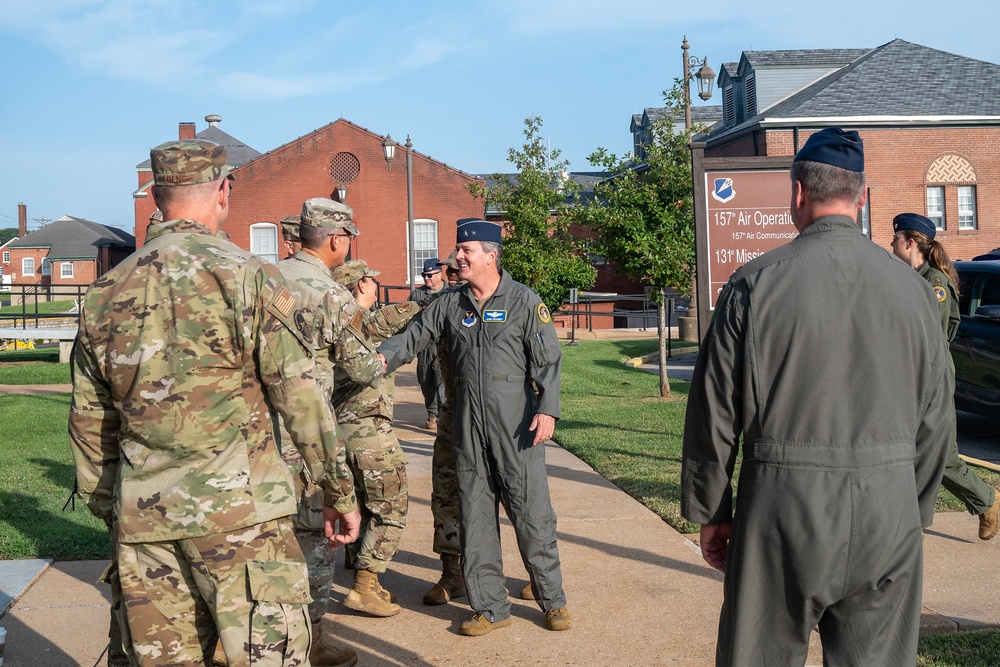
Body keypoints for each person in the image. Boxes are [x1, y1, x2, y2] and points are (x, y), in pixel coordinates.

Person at [69, 139, 361, 667]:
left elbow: (91, 427)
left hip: (146, 527)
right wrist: (339, 489)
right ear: (224, 191)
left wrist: (117, 512)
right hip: (241, 520)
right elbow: (301, 398)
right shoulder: (250, 276)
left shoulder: (106, 292)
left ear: (156, 194)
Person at [681, 128, 953, 666]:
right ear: (864, 196)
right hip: (887, 509)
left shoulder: (753, 285)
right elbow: (937, 417)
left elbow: (714, 411)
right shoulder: (917, 294)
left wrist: (712, 511)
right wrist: (911, 507)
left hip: (783, 511)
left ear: (798, 192)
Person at [379, 218, 571, 636]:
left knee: (532, 515)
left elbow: (548, 362)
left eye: (466, 252)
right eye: (457, 250)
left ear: (490, 256)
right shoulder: (450, 304)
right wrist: (381, 358)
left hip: (516, 427)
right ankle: (489, 607)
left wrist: (548, 410)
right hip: (467, 426)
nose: (458, 257)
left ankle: (552, 600)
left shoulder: (523, 301)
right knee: (476, 517)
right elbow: (413, 336)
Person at [273, 198, 386, 666]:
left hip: (258, 435)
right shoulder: (331, 294)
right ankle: (310, 640)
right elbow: (360, 367)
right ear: (337, 239)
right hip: (307, 435)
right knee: (318, 537)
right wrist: (378, 363)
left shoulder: (265, 280)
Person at [890, 212, 1000, 541]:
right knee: (927, 452)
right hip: (916, 378)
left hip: (929, 379)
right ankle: (984, 503)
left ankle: (983, 502)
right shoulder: (914, 279)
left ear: (910, 243)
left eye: (896, 237)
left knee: (933, 453)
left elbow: (931, 344)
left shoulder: (934, 284)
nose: (891, 242)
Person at [329, 259, 420, 617]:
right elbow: (403, 314)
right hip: (369, 432)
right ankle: (364, 588)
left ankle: (361, 569)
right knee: (390, 508)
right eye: (369, 280)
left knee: (361, 502)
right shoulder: (364, 322)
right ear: (362, 285)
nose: (374, 285)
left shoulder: (329, 322)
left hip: (337, 433)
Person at [422, 249, 465, 606]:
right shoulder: (443, 306)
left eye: (457, 269)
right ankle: (453, 573)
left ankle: (535, 572)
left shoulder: (514, 302)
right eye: (449, 271)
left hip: (500, 420)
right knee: (447, 494)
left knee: (515, 498)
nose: (453, 274)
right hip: (453, 417)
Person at [409, 258, 446, 430]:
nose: (427, 279)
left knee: (442, 381)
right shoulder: (417, 294)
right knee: (426, 381)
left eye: (430, 275)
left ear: (440, 274)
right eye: (424, 275)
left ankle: (444, 415)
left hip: (444, 344)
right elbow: (407, 318)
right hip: (424, 345)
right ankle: (432, 414)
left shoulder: (450, 292)